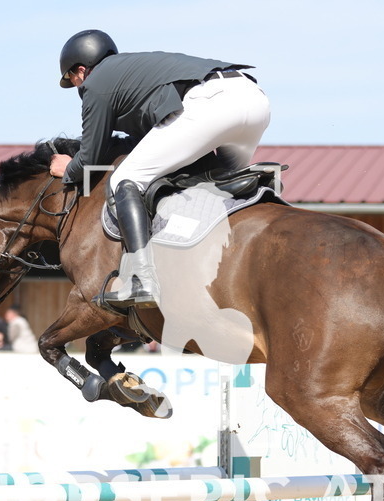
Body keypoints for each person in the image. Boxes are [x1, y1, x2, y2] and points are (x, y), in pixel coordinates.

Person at [49, 29, 271, 309]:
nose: (77, 87)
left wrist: (69, 169)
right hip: (254, 98)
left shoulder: (95, 84)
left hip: (210, 105)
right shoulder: (135, 73)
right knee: (223, 191)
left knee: (124, 179)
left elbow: (90, 157)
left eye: (73, 79)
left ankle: (142, 279)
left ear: (81, 70)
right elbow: (154, 137)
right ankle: (263, 192)